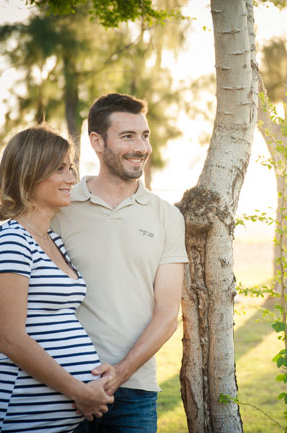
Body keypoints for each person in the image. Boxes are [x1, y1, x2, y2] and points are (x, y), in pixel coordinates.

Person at [56, 93, 188, 432]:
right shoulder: (60, 209)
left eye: (144, 136)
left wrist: (120, 372)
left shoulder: (166, 217)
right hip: (59, 387)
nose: (141, 147)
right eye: (128, 136)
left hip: (134, 391)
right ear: (97, 142)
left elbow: (167, 314)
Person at [0, 126, 114, 433]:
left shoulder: (51, 239)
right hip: (19, 421)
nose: (71, 179)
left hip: (61, 424)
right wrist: (78, 390)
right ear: (29, 172)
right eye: (60, 169)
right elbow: (12, 340)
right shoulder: (11, 241)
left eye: (71, 168)